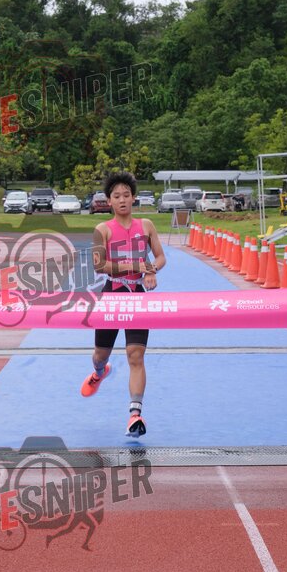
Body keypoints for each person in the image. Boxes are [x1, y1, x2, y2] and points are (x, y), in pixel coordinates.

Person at [80, 171, 166, 437]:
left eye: (126, 195)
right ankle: (99, 372)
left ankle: (135, 414)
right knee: (100, 355)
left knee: (135, 355)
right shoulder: (102, 229)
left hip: (137, 296)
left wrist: (151, 271)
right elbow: (99, 265)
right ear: (109, 201)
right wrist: (134, 266)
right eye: (116, 196)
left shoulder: (146, 225)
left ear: (134, 198)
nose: (122, 200)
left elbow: (160, 257)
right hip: (112, 295)